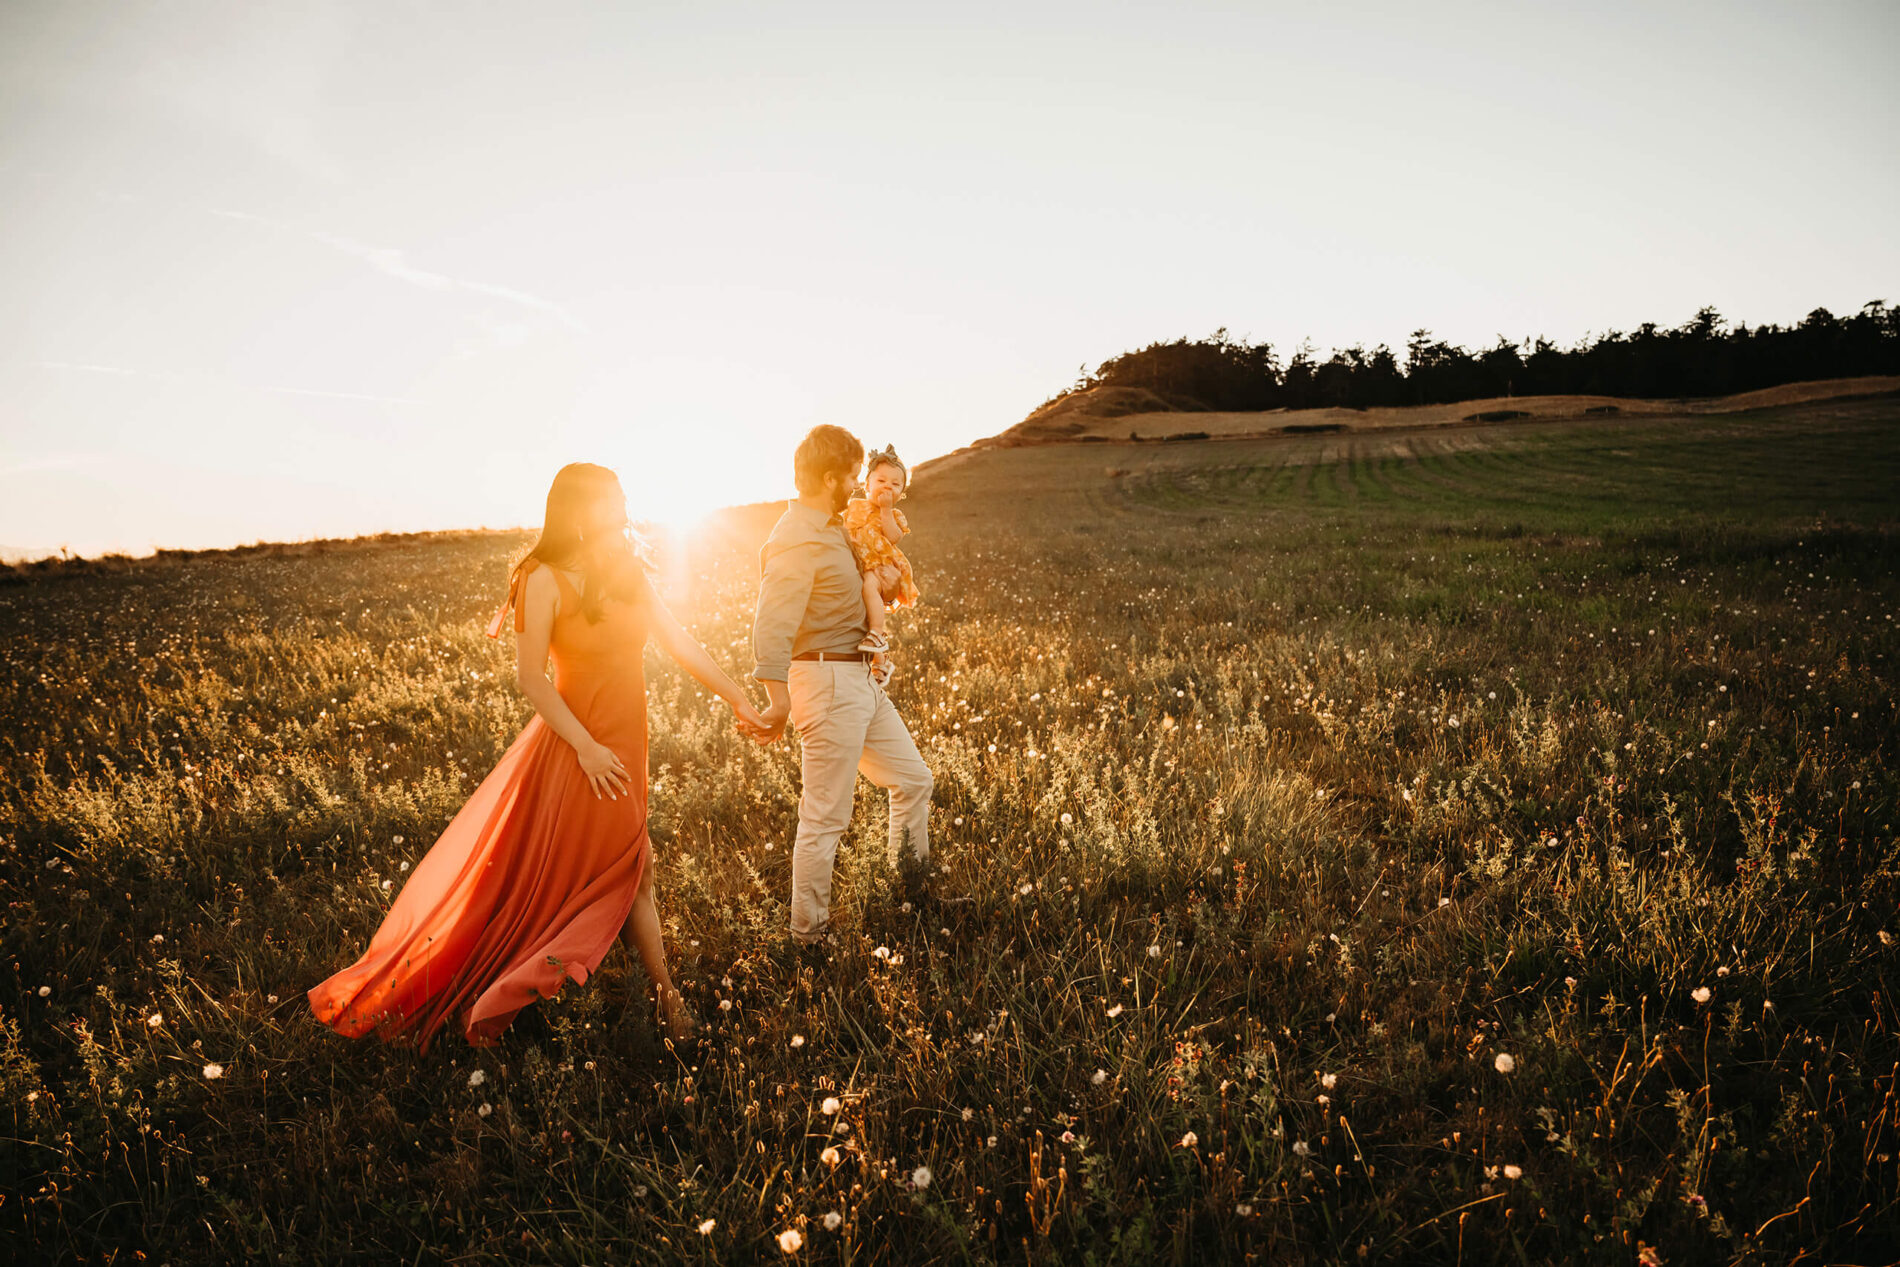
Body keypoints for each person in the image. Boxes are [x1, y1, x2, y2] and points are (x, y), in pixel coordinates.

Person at [309, 462, 767, 1048]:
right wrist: (586, 747)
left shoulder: (626, 569)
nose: (625, 501)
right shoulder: (541, 576)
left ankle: (650, 992)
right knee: (628, 869)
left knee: (626, 868)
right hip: (582, 746)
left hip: (626, 741)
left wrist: (738, 699)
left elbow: (679, 640)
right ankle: (665, 1002)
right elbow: (532, 679)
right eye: (613, 496)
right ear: (581, 509)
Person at [745, 426, 935, 946]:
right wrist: (777, 698)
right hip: (825, 680)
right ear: (828, 477)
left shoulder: (835, 528)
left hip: (859, 676)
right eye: (851, 475)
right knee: (826, 817)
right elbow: (771, 621)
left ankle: (910, 889)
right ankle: (809, 937)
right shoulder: (795, 536)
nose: (856, 484)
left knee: (914, 779)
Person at [842, 445, 921, 687]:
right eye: (882, 480)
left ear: (902, 493)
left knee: (869, 590)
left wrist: (886, 509)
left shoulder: (894, 515)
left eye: (895, 485)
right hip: (860, 562)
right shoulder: (853, 507)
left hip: (880, 564)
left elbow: (894, 536)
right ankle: (881, 661)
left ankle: (877, 633)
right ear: (867, 485)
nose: (888, 486)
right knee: (863, 609)